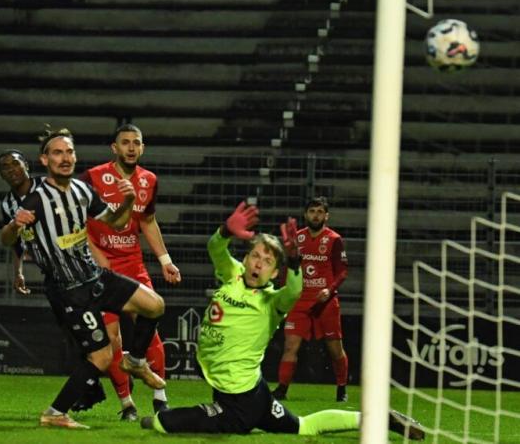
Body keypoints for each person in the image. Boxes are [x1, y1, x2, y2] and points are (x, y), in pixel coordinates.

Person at [139, 203, 424, 441]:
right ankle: (376, 418)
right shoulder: (233, 275)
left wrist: (296, 264)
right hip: (250, 391)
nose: (258, 264)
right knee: (303, 426)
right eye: (255, 256)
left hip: (241, 400)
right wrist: (226, 231)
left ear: (275, 273)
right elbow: (216, 249)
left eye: (267, 261)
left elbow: (295, 291)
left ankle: (380, 419)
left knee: (165, 423)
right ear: (247, 258)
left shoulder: (273, 303)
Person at [1, 127, 166, 429]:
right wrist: (15, 224)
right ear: (45, 159)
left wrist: (128, 203)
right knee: (101, 357)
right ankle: (55, 413)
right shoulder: (37, 198)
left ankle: (135, 360)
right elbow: (6, 238)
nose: (65, 158)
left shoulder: (82, 190)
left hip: (95, 277)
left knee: (155, 305)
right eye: (57, 153)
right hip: (69, 291)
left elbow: (115, 223)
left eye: (69, 152)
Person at [79, 124, 181, 421]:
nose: (132, 148)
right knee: (113, 340)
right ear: (115, 148)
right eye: (125, 143)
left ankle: (161, 399)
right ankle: (127, 405)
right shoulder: (93, 178)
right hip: (100, 268)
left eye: (136, 143)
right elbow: (79, 222)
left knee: (150, 327)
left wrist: (165, 260)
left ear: (142, 147)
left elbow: (148, 221)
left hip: (133, 264)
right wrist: (97, 256)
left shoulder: (149, 180)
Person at [273, 196, 350, 402]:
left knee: (335, 349)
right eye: (312, 211)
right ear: (306, 214)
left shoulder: (334, 239)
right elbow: (287, 269)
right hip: (299, 300)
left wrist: (330, 290)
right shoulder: (296, 238)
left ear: (326, 215)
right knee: (290, 346)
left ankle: (341, 388)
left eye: (319, 212)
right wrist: (283, 292)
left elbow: (342, 272)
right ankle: (281, 390)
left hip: (325, 301)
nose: (315, 215)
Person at [0, 149, 45, 295]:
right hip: (49, 268)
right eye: (5, 167)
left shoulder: (47, 186)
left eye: (15, 163)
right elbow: (15, 242)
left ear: (26, 166)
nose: (11, 169)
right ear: (1, 175)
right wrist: (18, 272)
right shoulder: (7, 204)